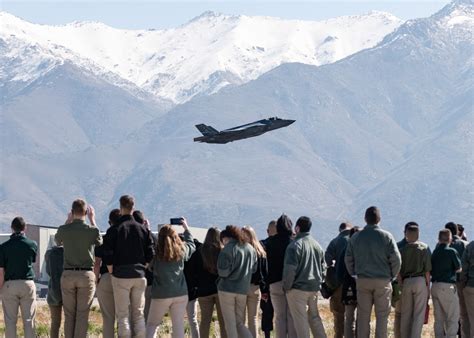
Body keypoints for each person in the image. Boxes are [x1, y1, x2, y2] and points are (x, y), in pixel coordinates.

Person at [344, 206, 401, 338]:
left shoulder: (356, 237)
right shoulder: (387, 236)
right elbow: (396, 259)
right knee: (382, 317)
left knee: (363, 317)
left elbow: (348, 258)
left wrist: (354, 274)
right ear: (379, 219)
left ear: (365, 219)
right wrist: (392, 276)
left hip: (362, 280)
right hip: (383, 280)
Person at [103, 195, 155, 338]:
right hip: (139, 275)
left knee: (123, 316)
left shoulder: (115, 229)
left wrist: (112, 270)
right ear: (133, 207)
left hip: (121, 275)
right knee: (138, 315)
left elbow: (107, 253)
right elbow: (151, 252)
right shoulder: (143, 229)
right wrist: (143, 267)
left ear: (121, 207)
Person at [55, 199, 102, 338]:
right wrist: (93, 220)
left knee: (69, 314)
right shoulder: (92, 230)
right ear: (86, 212)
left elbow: (57, 240)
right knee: (82, 315)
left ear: (72, 211)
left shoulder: (64, 229)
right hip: (86, 274)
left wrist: (67, 221)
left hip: (68, 274)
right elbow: (99, 241)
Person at [145, 220, 196, 338]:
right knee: (178, 326)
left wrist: (146, 230)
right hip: (180, 293)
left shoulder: (156, 255)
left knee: (152, 324)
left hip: (161, 294)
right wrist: (186, 228)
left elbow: (148, 266)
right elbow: (191, 245)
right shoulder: (181, 251)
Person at [282, 216, 327, 338]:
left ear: (297, 228)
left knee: (301, 322)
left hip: (297, 289)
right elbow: (324, 268)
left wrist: (286, 287)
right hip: (313, 288)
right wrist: (320, 282)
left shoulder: (294, 246)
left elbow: (290, 270)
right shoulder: (317, 245)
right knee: (315, 319)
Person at [0, 216, 38, 338]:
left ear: (12, 228)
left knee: (10, 321)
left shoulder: (3, 247)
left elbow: (1, 271)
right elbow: (32, 261)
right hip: (27, 283)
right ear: (25, 228)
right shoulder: (32, 244)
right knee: (29, 320)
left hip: (10, 284)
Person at [217, 225, 257, 338]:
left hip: (226, 290)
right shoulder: (250, 248)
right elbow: (254, 269)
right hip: (243, 289)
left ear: (227, 237)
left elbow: (223, 273)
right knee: (239, 323)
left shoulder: (227, 250)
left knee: (230, 323)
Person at [264, 215, 297, 338]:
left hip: (274, 283)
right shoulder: (294, 242)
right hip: (292, 283)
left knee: (279, 316)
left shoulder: (270, 242)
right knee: (291, 315)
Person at [398, 225, 431, 338]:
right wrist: (428, 288)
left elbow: (398, 270)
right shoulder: (424, 248)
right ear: (418, 234)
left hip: (406, 281)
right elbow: (427, 270)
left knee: (405, 314)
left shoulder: (401, 250)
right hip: (420, 281)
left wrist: (401, 284)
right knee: (418, 314)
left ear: (406, 235)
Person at [195, 227, 227, 338]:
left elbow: (196, 271)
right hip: (220, 290)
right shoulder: (222, 251)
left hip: (203, 291)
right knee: (223, 320)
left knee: (204, 321)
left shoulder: (200, 251)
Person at [94, 208, 121, 338]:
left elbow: (97, 263)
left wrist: (96, 281)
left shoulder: (105, 238)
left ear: (109, 222)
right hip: (123, 278)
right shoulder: (127, 238)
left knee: (108, 319)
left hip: (105, 278)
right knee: (123, 317)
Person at [431, 229, 462, 338]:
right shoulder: (451, 251)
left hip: (434, 286)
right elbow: (458, 268)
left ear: (438, 239)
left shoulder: (434, 252)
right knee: (453, 317)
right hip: (447, 286)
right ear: (450, 239)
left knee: (438, 319)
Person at [325, 222, 352, 338]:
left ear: (340, 230)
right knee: (353, 316)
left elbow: (327, 261)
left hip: (339, 284)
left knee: (339, 315)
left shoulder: (334, 242)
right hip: (355, 282)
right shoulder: (356, 239)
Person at [394, 221, 419, 338]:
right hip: (414, 285)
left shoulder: (397, 246)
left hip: (400, 284)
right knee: (413, 314)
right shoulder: (421, 248)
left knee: (399, 315)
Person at [243, 226, 268, 338]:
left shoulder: (242, 250)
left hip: (242, 287)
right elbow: (264, 273)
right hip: (256, 288)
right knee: (253, 318)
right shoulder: (261, 251)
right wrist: (264, 290)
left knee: (241, 319)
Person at [132, 210, 157, 323]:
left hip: (133, 277)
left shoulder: (130, 236)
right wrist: (149, 230)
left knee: (134, 312)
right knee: (147, 313)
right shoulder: (150, 236)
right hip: (149, 279)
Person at [445, 222, 469, 338]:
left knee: (448, 314)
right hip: (462, 283)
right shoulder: (465, 245)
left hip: (446, 283)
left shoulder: (443, 245)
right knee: (463, 314)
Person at [336, 227, 360, 338]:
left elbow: (339, 271)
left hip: (348, 286)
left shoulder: (345, 249)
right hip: (362, 286)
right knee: (362, 317)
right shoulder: (364, 250)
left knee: (349, 318)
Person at [183, 236, 202, 338]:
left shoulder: (179, 253)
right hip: (192, 290)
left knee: (177, 320)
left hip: (180, 290)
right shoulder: (197, 253)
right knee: (193, 319)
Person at [45, 240, 64, 338]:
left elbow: (48, 271)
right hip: (67, 289)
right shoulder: (69, 253)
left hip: (53, 289)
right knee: (70, 321)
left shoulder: (49, 253)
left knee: (55, 323)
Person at [260, 220, 276, 338]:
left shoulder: (262, 245)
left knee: (266, 313)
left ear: (267, 231)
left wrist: (263, 288)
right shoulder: (286, 244)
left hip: (266, 283)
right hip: (281, 283)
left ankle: (267, 336)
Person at [461, 240, 474, 338]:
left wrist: (463, 284)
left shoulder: (470, 246)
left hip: (470, 286)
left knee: (470, 317)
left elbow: (464, 267)